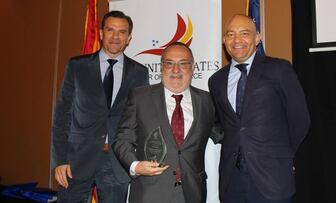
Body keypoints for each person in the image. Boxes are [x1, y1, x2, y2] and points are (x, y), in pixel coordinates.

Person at [208, 14, 310, 203]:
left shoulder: (279, 70)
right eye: (230, 34)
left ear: (257, 38)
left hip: (272, 178)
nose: (236, 40)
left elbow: (300, 119)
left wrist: (283, 156)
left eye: (244, 33)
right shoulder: (216, 81)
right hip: (232, 181)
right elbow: (222, 123)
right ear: (224, 40)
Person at [51, 10, 149, 202]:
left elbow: (140, 120)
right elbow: (62, 116)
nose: (115, 36)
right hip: (76, 161)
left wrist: (135, 160)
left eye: (122, 32)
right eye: (110, 30)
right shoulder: (77, 66)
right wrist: (60, 160)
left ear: (129, 38)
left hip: (116, 162)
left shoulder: (139, 72)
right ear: (102, 33)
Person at [112, 42, 223, 203]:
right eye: (169, 63)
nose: (176, 70)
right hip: (149, 193)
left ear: (193, 67)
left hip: (192, 193)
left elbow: (224, 133)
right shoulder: (140, 98)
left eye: (183, 64)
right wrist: (136, 166)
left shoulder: (206, 101)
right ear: (161, 67)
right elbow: (122, 140)